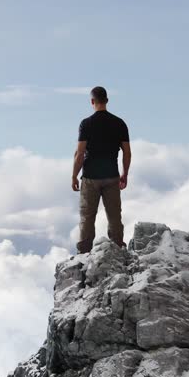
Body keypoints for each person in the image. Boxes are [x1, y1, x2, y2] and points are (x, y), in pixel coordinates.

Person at [71, 86, 131, 254]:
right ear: (107, 100)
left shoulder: (86, 124)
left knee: (87, 217)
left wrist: (74, 175)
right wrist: (125, 174)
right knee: (114, 216)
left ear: (92, 101)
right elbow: (127, 152)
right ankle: (118, 250)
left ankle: (84, 254)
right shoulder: (119, 123)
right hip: (112, 176)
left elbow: (80, 153)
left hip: (90, 177)